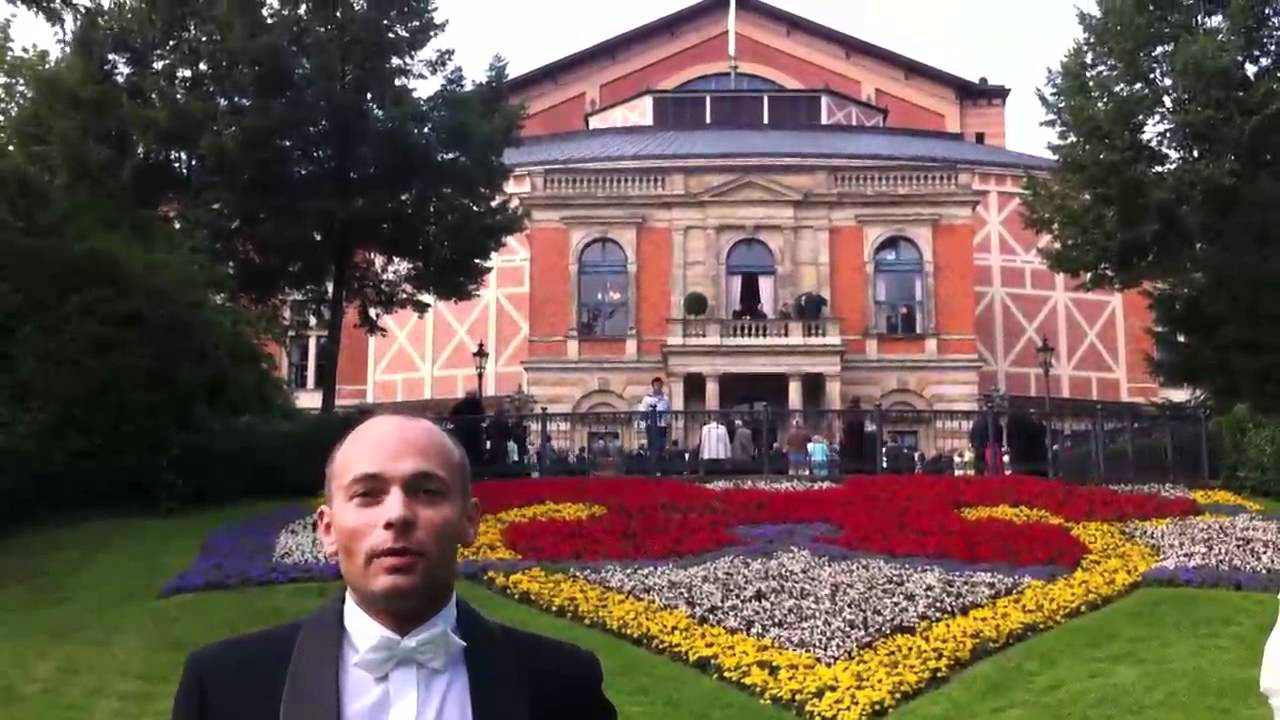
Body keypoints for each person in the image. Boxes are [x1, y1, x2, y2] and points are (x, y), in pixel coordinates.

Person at [172, 415, 617, 720]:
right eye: (368, 494)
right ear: (327, 530)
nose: (398, 514)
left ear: (469, 521)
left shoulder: (561, 685)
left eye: (426, 491)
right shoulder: (224, 688)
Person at [637, 377, 671, 464]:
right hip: (651, 425)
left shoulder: (665, 399)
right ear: (653, 386)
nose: (658, 387)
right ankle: (652, 464)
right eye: (656, 385)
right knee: (652, 446)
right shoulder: (647, 399)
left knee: (661, 446)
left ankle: (660, 463)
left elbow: (668, 412)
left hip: (661, 425)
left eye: (660, 385)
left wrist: (668, 422)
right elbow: (642, 412)